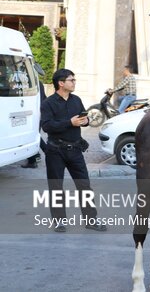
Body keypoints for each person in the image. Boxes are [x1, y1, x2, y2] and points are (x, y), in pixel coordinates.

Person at [41, 69, 107, 232]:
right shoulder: (48, 103)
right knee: (56, 187)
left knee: (84, 185)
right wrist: (69, 122)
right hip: (55, 151)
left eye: (74, 79)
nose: (74, 82)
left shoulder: (76, 100)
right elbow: (47, 126)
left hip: (75, 150)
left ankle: (91, 220)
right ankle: (59, 221)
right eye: (71, 80)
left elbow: (81, 120)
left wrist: (84, 121)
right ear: (61, 83)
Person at [22, 62, 47, 169]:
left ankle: (42, 155)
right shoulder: (38, 84)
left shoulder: (27, 84)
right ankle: (35, 158)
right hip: (37, 114)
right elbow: (45, 99)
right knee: (34, 135)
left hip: (33, 115)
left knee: (33, 136)